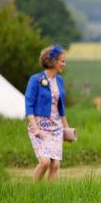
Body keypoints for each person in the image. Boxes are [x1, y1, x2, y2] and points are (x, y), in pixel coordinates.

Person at [24, 45, 72, 181]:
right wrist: (35, 128)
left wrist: (66, 129)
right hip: (39, 126)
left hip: (56, 127)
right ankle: (34, 192)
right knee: (45, 162)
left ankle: (51, 195)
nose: (64, 64)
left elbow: (61, 108)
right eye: (62, 61)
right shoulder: (36, 80)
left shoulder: (59, 81)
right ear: (53, 61)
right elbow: (29, 105)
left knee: (55, 164)